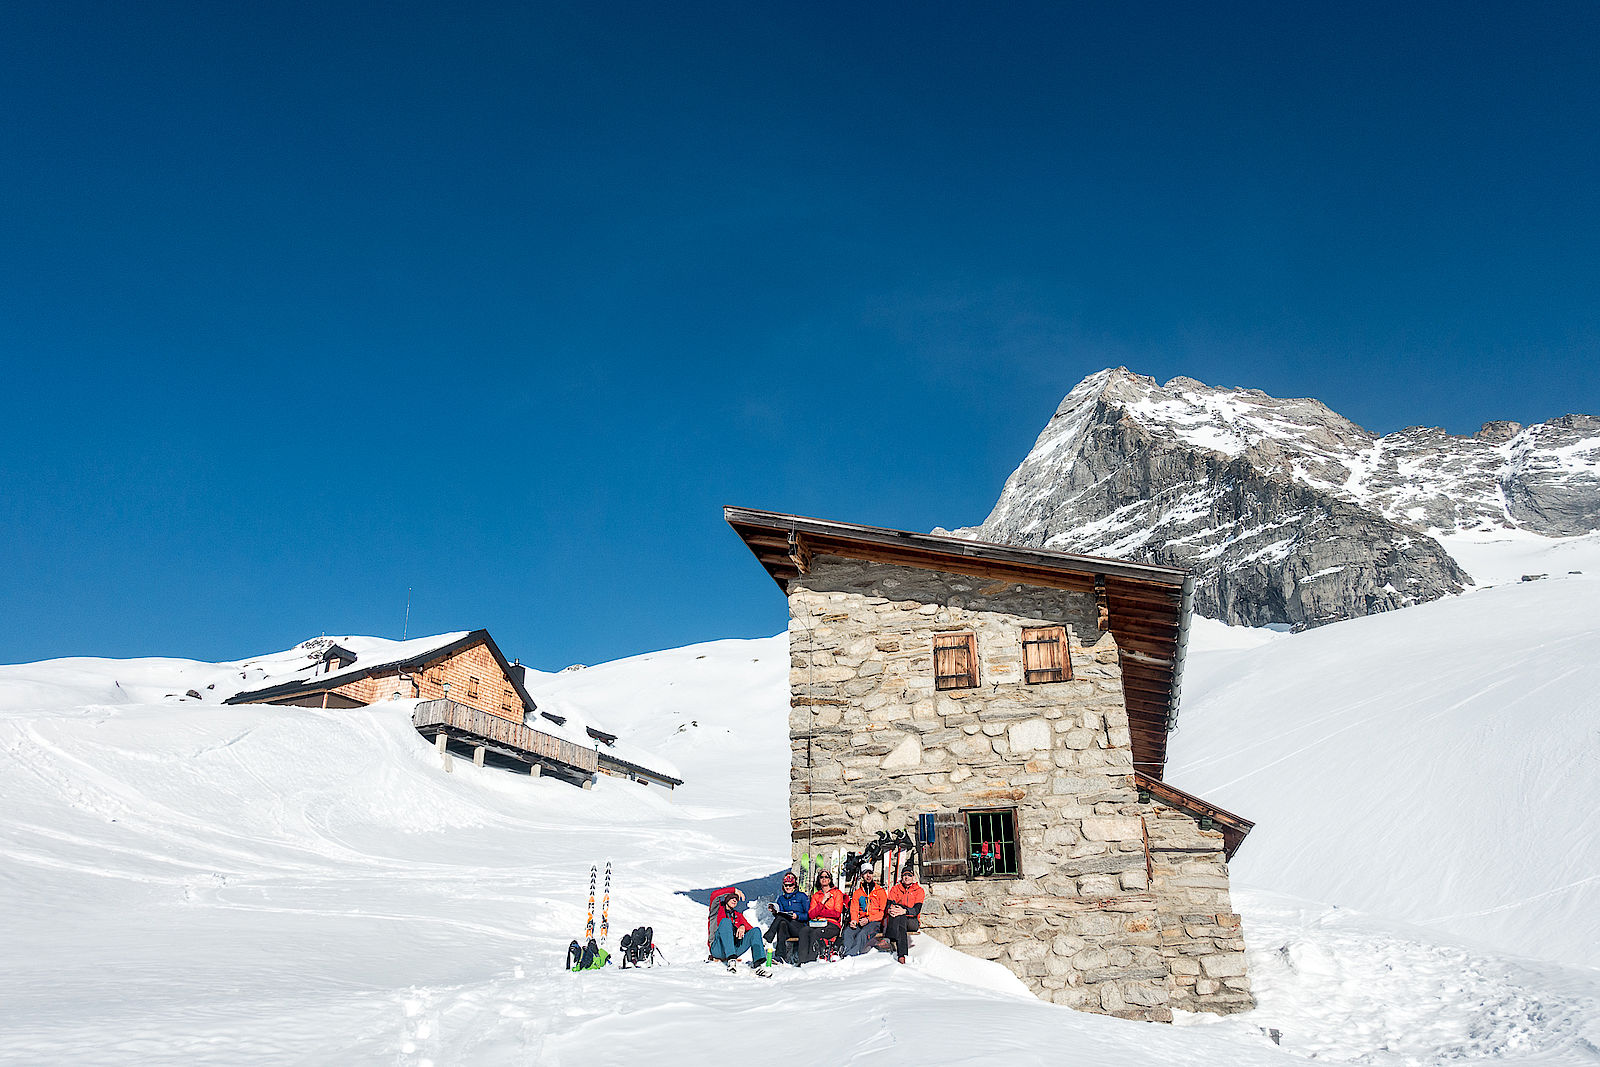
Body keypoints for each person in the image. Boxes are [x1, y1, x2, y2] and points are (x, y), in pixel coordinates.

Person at [707, 886, 772, 975]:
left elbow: (752, 932)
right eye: (732, 898)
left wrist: (742, 927)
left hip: (734, 949)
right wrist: (734, 890)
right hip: (718, 948)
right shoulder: (717, 909)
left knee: (756, 930)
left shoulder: (738, 915)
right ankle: (731, 960)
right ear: (726, 898)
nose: (734, 900)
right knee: (726, 922)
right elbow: (714, 895)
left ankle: (757, 965)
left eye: (736, 899)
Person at [881, 868, 925, 963]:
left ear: (913, 877)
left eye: (909, 875)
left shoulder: (919, 891)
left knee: (901, 913)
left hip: (912, 921)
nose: (907, 877)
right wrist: (891, 910)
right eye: (905, 875)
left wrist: (904, 911)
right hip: (899, 919)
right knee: (900, 917)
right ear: (901, 876)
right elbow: (889, 905)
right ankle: (902, 955)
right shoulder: (896, 889)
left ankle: (888, 938)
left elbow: (916, 910)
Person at [765, 871, 810, 965]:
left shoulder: (801, 896)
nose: (788, 887)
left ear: (794, 885)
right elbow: (780, 915)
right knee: (782, 923)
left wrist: (797, 916)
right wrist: (774, 912)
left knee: (782, 919)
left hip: (800, 927)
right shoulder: (781, 899)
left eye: (790, 885)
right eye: (786, 885)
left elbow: (808, 914)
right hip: (787, 927)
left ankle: (768, 937)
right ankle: (780, 956)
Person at [800, 870, 844, 963]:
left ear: (830, 879)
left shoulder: (837, 893)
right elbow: (811, 914)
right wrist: (822, 902)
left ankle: (811, 960)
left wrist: (819, 912)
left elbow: (836, 913)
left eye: (826, 877)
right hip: (817, 923)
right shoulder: (816, 896)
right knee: (804, 931)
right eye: (821, 877)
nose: (824, 879)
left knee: (816, 933)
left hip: (832, 924)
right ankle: (802, 960)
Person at [841, 870, 887, 957]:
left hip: (875, 921)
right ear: (862, 875)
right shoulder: (858, 893)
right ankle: (846, 954)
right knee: (848, 932)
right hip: (861, 920)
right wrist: (854, 920)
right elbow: (854, 909)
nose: (868, 875)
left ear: (873, 874)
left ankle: (852, 955)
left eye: (870, 873)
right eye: (866, 873)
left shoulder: (880, 891)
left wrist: (869, 919)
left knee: (863, 933)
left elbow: (882, 913)